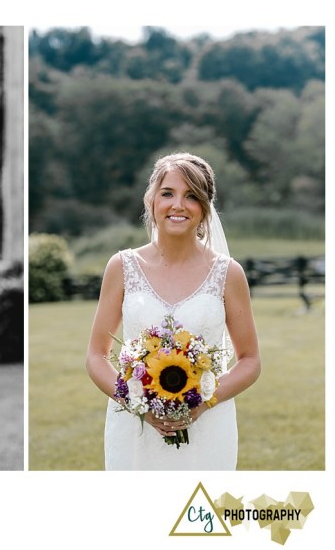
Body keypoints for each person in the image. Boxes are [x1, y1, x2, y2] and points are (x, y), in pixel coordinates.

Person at [85, 152, 261, 470]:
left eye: (191, 196)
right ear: (151, 199)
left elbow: (250, 360)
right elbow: (96, 355)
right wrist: (137, 403)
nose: (178, 205)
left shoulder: (228, 273)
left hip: (208, 425)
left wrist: (203, 402)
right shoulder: (122, 266)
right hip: (134, 428)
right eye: (168, 193)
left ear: (205, 208)